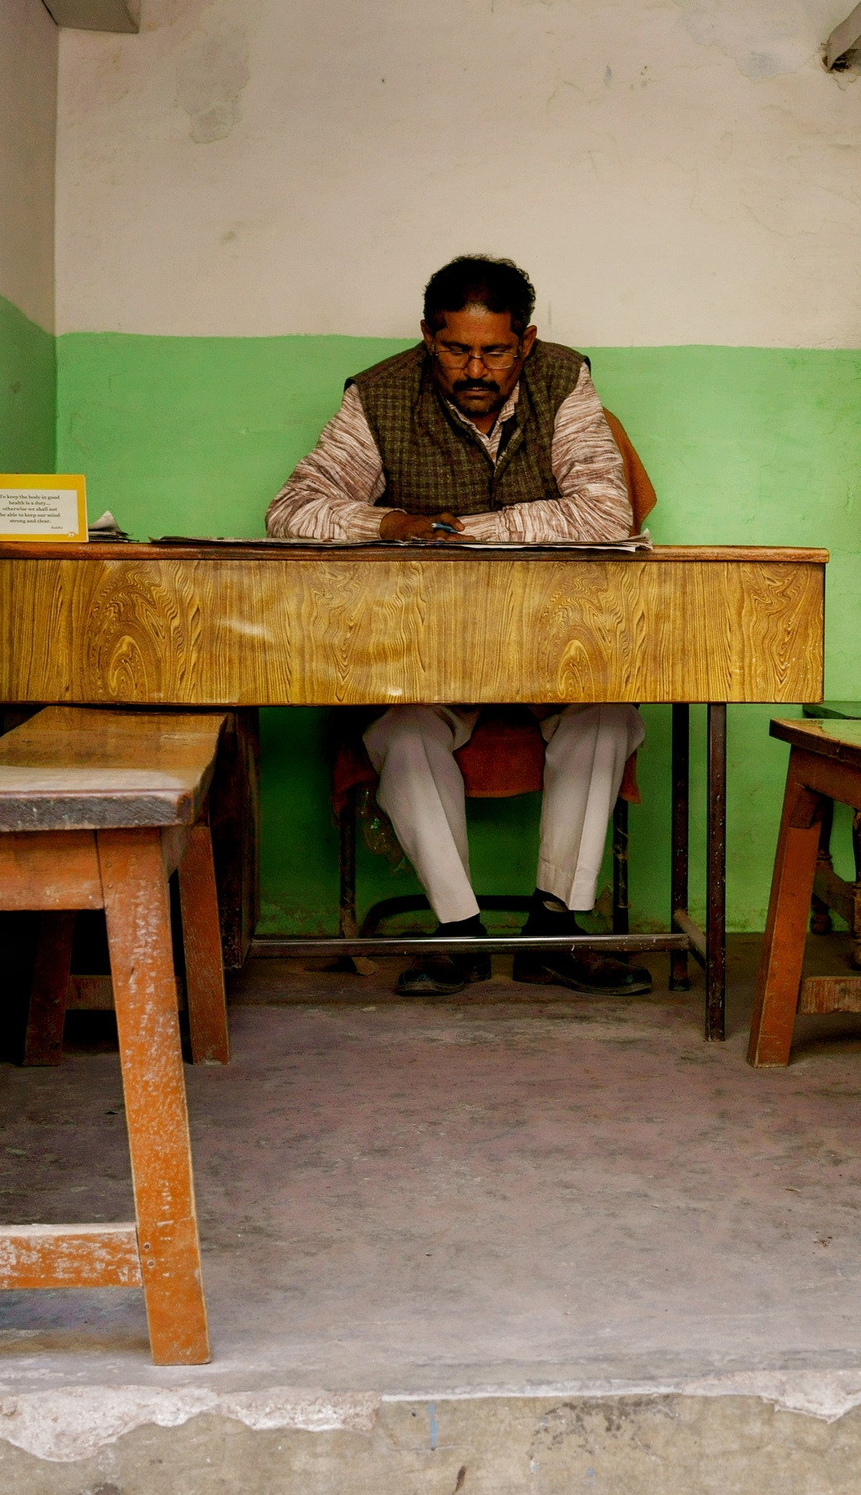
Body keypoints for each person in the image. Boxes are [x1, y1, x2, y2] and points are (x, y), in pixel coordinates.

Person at [267, 255, 651, 998]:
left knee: (607, 714)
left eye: (496, 351)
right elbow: (292, 509)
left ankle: (554, 930)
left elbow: (608, 512)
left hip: (555, 648)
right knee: (402, 731)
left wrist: (471, 531)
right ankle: (460, 934)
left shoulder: (564, 381)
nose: (476, 368)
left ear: (527, 342)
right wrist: (392, 521)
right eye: (455, 350)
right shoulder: (377, 396)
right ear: (426, 337)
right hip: (427, 653)